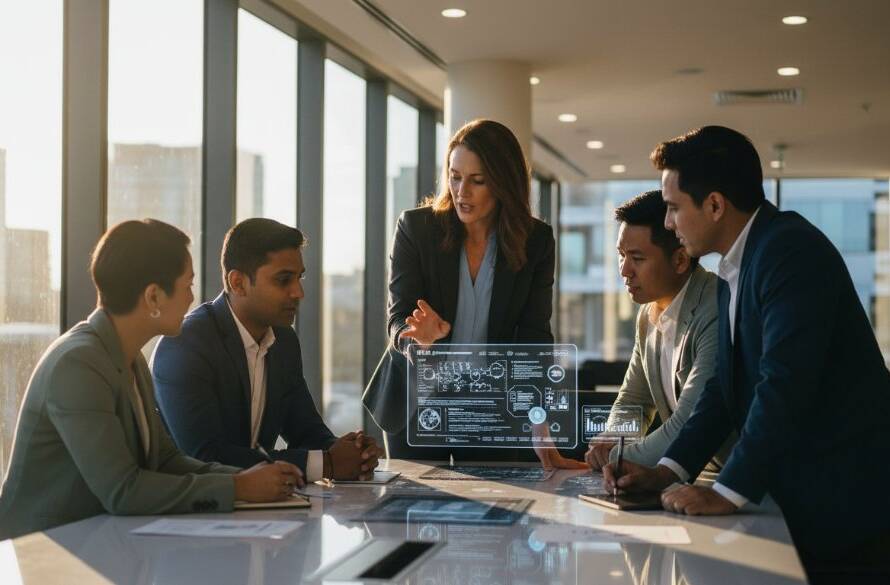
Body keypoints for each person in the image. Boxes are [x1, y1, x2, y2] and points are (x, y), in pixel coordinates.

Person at [601, 126, 890, 580]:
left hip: (843, 506)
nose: (670, 223)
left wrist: (727, 491)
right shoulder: (737, 267)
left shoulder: (788, 251)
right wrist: (668, 471)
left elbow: (784, 383)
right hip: (795, 504)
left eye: (675, 208)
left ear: (715, 205)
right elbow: (723, 390)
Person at [0, 220, 301, 539]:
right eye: (187, 285)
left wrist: (251, 478)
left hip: (93, 545)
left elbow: (165, 459)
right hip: (38, 556)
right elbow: (123, 490)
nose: (191, 298)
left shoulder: (129, 358)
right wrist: (238, 486)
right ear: (154, 297)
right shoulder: (78, 364)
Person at [363, 118, 573, 464]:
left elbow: (534, 337)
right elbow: (398, 319)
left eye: (478, 181)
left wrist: (540, 422)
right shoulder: (417, 229)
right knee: (412, 509)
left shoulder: (535, 241)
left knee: (492, 508)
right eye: (455, 176)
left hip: (490, 404)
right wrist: (419, 340)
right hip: (418, 401)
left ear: (504, 184)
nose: (462, 192)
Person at [152, 218, 379, 481]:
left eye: (299, 277)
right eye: (283, 280)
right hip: (188, 512)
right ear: (238, 283)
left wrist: (351, 452)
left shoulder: (283, 340)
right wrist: (326, 464)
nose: (299, 292)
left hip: (254, 509)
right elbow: (204, 456)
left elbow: (306, 431)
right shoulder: (185, 344)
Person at [584, 189, 734, 470]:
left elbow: (688, 421)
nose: (624, 270)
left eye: (637, 258)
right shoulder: (648, 315)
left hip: (747, 486)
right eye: (621, 255)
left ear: (679, 260)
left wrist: (619, 459)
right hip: (700, 477)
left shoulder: (716, 307)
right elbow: (634, 401)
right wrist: (612, 439)